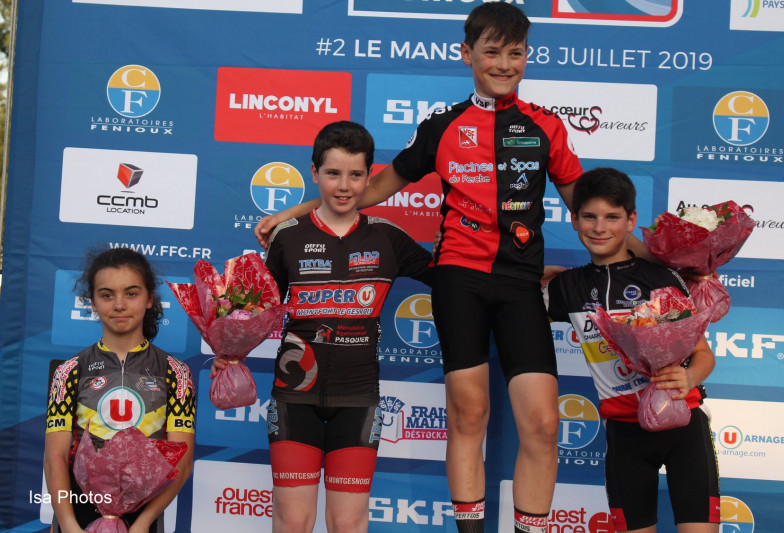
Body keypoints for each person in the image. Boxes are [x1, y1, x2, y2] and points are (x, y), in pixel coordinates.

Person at [253, 4, 601, 531]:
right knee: (469, 413)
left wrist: (660, 257)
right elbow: (369, 188)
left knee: (544, 423)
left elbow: (590, 213)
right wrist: (294, 213)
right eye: (491, 52)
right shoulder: (443, 126)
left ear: (527, 56)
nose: (504, 64)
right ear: (467, 54)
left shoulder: (546, 126)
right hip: (458, 277)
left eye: (515, 53)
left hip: (520, 282)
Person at [215, 120, 432, 533]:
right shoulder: (287, 237)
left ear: (370, 176)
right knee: (294, 521)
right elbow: (255, 312)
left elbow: (454, 280)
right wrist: (229, 350)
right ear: (314, 173)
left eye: (355, 175)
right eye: (333, 173)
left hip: (359, 398)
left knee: (347, 524)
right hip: (294, 398)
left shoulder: (388, 238)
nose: (344, 186)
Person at [544, 168, 720, 533]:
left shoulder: (661, 278)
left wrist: (688, 377)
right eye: (589, 217)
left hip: (684, 426)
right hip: (625, 436)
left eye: (612, 217)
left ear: (630, 220)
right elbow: (505, 301)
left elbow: (704, 355)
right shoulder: (567, 287)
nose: (599, 228)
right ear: (574, 220)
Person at [44, 248, 196, 533]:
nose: (119, 305)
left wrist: (143, 523)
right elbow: (55, 459)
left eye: (131, 293)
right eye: (106, 295)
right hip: (77, 513)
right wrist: (68, 524)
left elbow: (182, 463)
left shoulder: (176, 372)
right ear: (92, 302)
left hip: (143, 516)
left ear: (149, 298)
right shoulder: (69, 371)